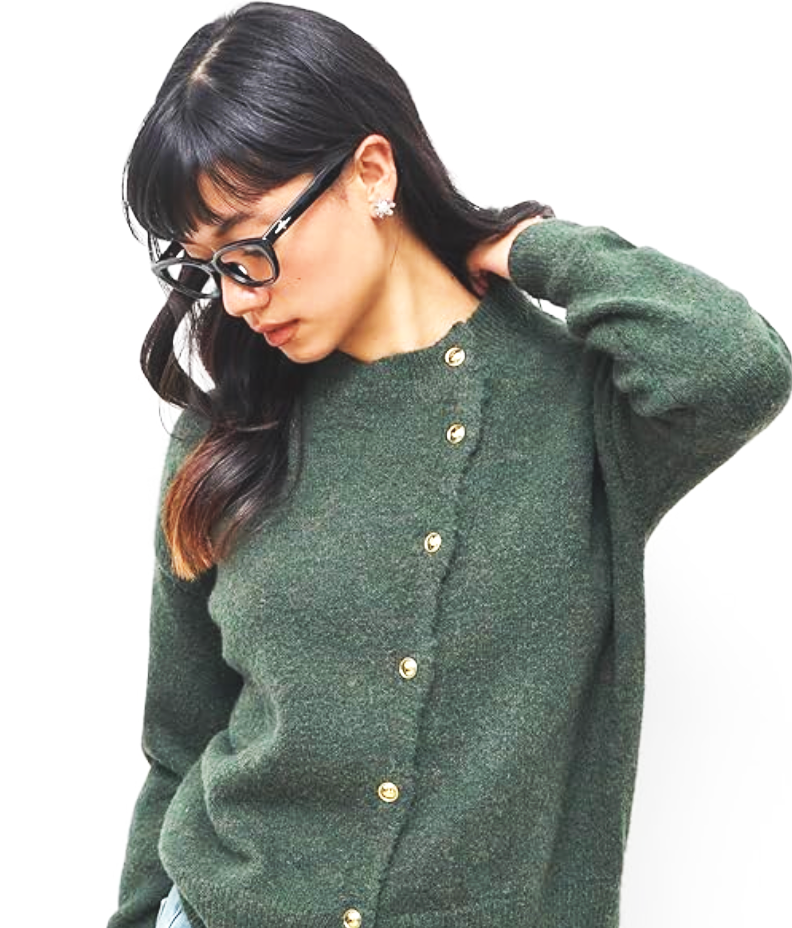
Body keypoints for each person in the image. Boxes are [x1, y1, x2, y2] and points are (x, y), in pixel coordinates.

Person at [106, 3, 792, 928]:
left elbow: (737, 367)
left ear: (371, 173)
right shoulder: (226, 437)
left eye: (250, 246)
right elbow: (178, 742)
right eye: (206, 266)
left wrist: (528, 246)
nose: (234, 298)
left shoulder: (579, 407)